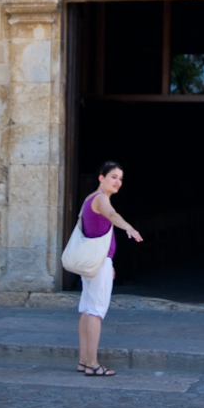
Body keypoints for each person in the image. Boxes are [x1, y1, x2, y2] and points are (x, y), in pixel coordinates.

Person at [76, 161, 143, 377]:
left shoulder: (88, 199)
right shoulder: (101, 199)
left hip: (92, 262)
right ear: (101, 178)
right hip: (98, 263)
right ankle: (93, 364)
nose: (118, 182)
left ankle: (84, 361)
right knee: (96, 311)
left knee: (87, 309)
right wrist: (129, 228)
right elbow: (112, 216)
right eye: (113, 177)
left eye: (120, 179)